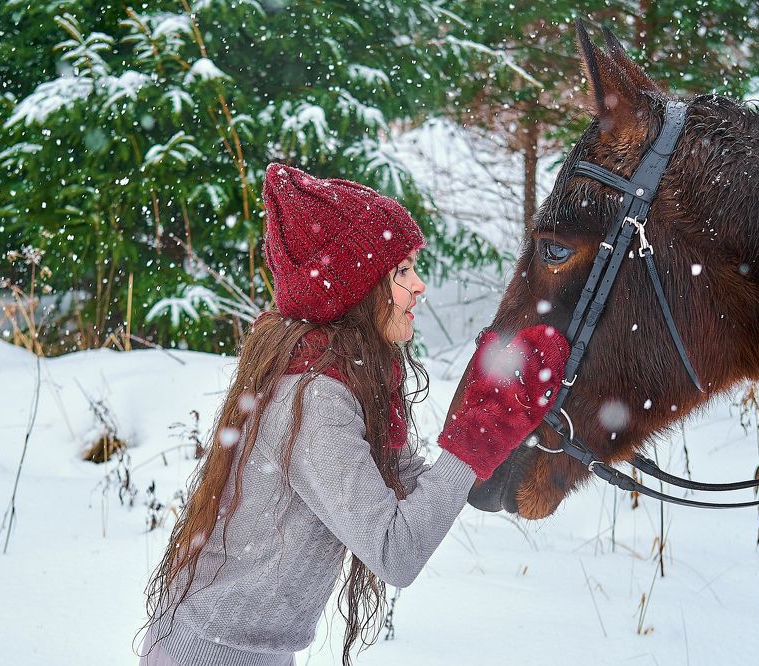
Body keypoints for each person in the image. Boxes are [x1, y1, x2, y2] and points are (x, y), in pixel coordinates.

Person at [136, 163, 568, 666]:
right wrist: (479, 436)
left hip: (247, 651)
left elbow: (411, 493)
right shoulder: (316, 395)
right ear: (358, 289)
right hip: (212, 656)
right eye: (402, 271)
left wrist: (487, 410)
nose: (420, 285)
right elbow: (395, 550)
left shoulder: (350, 376)